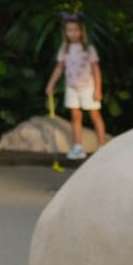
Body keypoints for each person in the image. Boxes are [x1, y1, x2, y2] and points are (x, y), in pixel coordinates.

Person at [44, 12, 107, 159]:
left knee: (95, 115)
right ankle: (78, 147)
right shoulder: (64, 49)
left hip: (88, 87)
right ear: (65, 32)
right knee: (75, 116)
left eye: (76, 30)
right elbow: (59, 67)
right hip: (71, 87)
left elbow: (96, 69)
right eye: (70, 30)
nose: (73, 33)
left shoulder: (88, 49)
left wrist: (98, 89)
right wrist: (51, 83)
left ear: (81, 31)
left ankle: (102, 145)